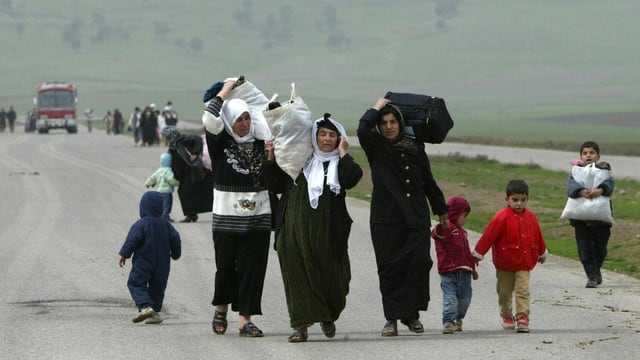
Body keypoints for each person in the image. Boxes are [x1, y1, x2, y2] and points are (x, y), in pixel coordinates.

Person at [264, 113, 363, 343]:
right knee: (296, 277)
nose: (327, 139)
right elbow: (276, 185)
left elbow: (352, 178)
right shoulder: (299, 160)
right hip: (292, 232)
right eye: (322, 134)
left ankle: (327, 314)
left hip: (329, 235)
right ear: (314, 136)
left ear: (339, 138)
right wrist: (270, 157)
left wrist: (344, 153)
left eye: (332, 135)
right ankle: (300, 326)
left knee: (335, 279)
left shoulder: (340, 164)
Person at [357, 97, 448, 337]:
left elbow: (428, 181)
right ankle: (391, 319)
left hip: (416, 217)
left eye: (393, 121)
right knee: (390, 268)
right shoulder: (376, 147)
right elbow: (362, 129)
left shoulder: (415, 148)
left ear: (400, 122)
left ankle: (412, 316)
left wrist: (441, 210)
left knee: (418, 264)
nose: (388, 126)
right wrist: (375, 107)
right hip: (386, 219)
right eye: (384, 122)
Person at [202, 79, 273, 338]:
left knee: (253, 269)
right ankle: (221, 309)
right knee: (226, 266)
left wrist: (271, 157)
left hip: (259, 218)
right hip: (226, 219)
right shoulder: (220, 144)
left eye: (246, 118)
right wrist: (225, 92)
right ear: (229, 122)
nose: (243, 123)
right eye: (238, 119)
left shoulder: (261, 143)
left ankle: (245, 320)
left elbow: (274, 178)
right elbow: (210, 119)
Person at [472, 180, 547, 333]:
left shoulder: (531, 217)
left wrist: (541, 251)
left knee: (523, 290)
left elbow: (537, 235)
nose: (519, 203)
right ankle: (506, 314)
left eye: (523, 200)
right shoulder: (501, 217)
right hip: (505, 262)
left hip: (524, 263)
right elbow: (488, 236)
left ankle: (522, 317)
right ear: (507, 199)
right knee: (504, 292)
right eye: (515, 200)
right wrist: (478, 254)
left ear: (527, 199)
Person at [118, 191, 181, 324]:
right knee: (158, 287)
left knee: (136, 282)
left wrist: (124, 254)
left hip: (143, 260)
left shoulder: (141, 224)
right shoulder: (166, 225)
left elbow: (132, 239)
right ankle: (154, 312)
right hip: (163, 263)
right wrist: (176, 254)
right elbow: (175, 239)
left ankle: (145, 306)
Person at [566, 141, 615, 288]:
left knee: (600, 249)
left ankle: (596, 271)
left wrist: (600, 190)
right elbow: (570, 187)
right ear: (581, 156)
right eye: (585, 153)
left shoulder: (604, 170)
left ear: (598, 156)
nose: (588, 155)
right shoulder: (576, 171)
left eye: (592, 153)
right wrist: (581, 192)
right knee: (585, 249)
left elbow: (610, 185)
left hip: (601, 220)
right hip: (581, 220)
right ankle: (592, 277)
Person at [431, 196, 478, 334]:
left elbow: (466, 253)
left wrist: (472, 268)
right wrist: (442, 226)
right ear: (455, 214)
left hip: (464, 273)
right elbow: (437, 234)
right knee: (450, 298)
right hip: (448, 271)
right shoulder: (447, 229)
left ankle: (458, 318)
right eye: (464, 215)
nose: (466, 219)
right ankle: (448, 321)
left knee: (465, 300)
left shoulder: (463, 233)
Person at [160, 126, 213, 223]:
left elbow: (197, 139)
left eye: (164, 136)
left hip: (191, 172)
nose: (163, 139)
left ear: (170, 136)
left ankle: (191, 215)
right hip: (183, 176)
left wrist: (195, 153)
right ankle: (191, 215)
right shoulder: (172, 147)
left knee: (190, 193)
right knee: (185, 193)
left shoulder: (183, 140)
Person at [145, 152, 179, 222]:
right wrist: (177, 183)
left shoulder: (159, 170)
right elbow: (170, 179)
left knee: (162, 205)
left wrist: (147, 183)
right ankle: (165, 217)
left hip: (160, 191)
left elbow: (153, 177)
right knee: (167, 205)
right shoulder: (168, 171)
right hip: (167, 192)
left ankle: (163, 216)